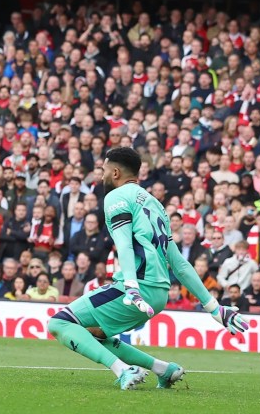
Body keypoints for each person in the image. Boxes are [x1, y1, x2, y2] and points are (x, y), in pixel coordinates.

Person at [48, 147, 248, 390]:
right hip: (158, 295)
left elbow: (124, 244)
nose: (101, 176)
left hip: (135, 290)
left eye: (103, 171)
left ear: (115, 172)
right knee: (94, 333)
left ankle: (124, 370)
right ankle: (165, 369)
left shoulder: (116, 196)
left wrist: (130, 286)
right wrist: (215, 308)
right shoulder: (156, 205)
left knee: (59, 323)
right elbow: (180, 264)